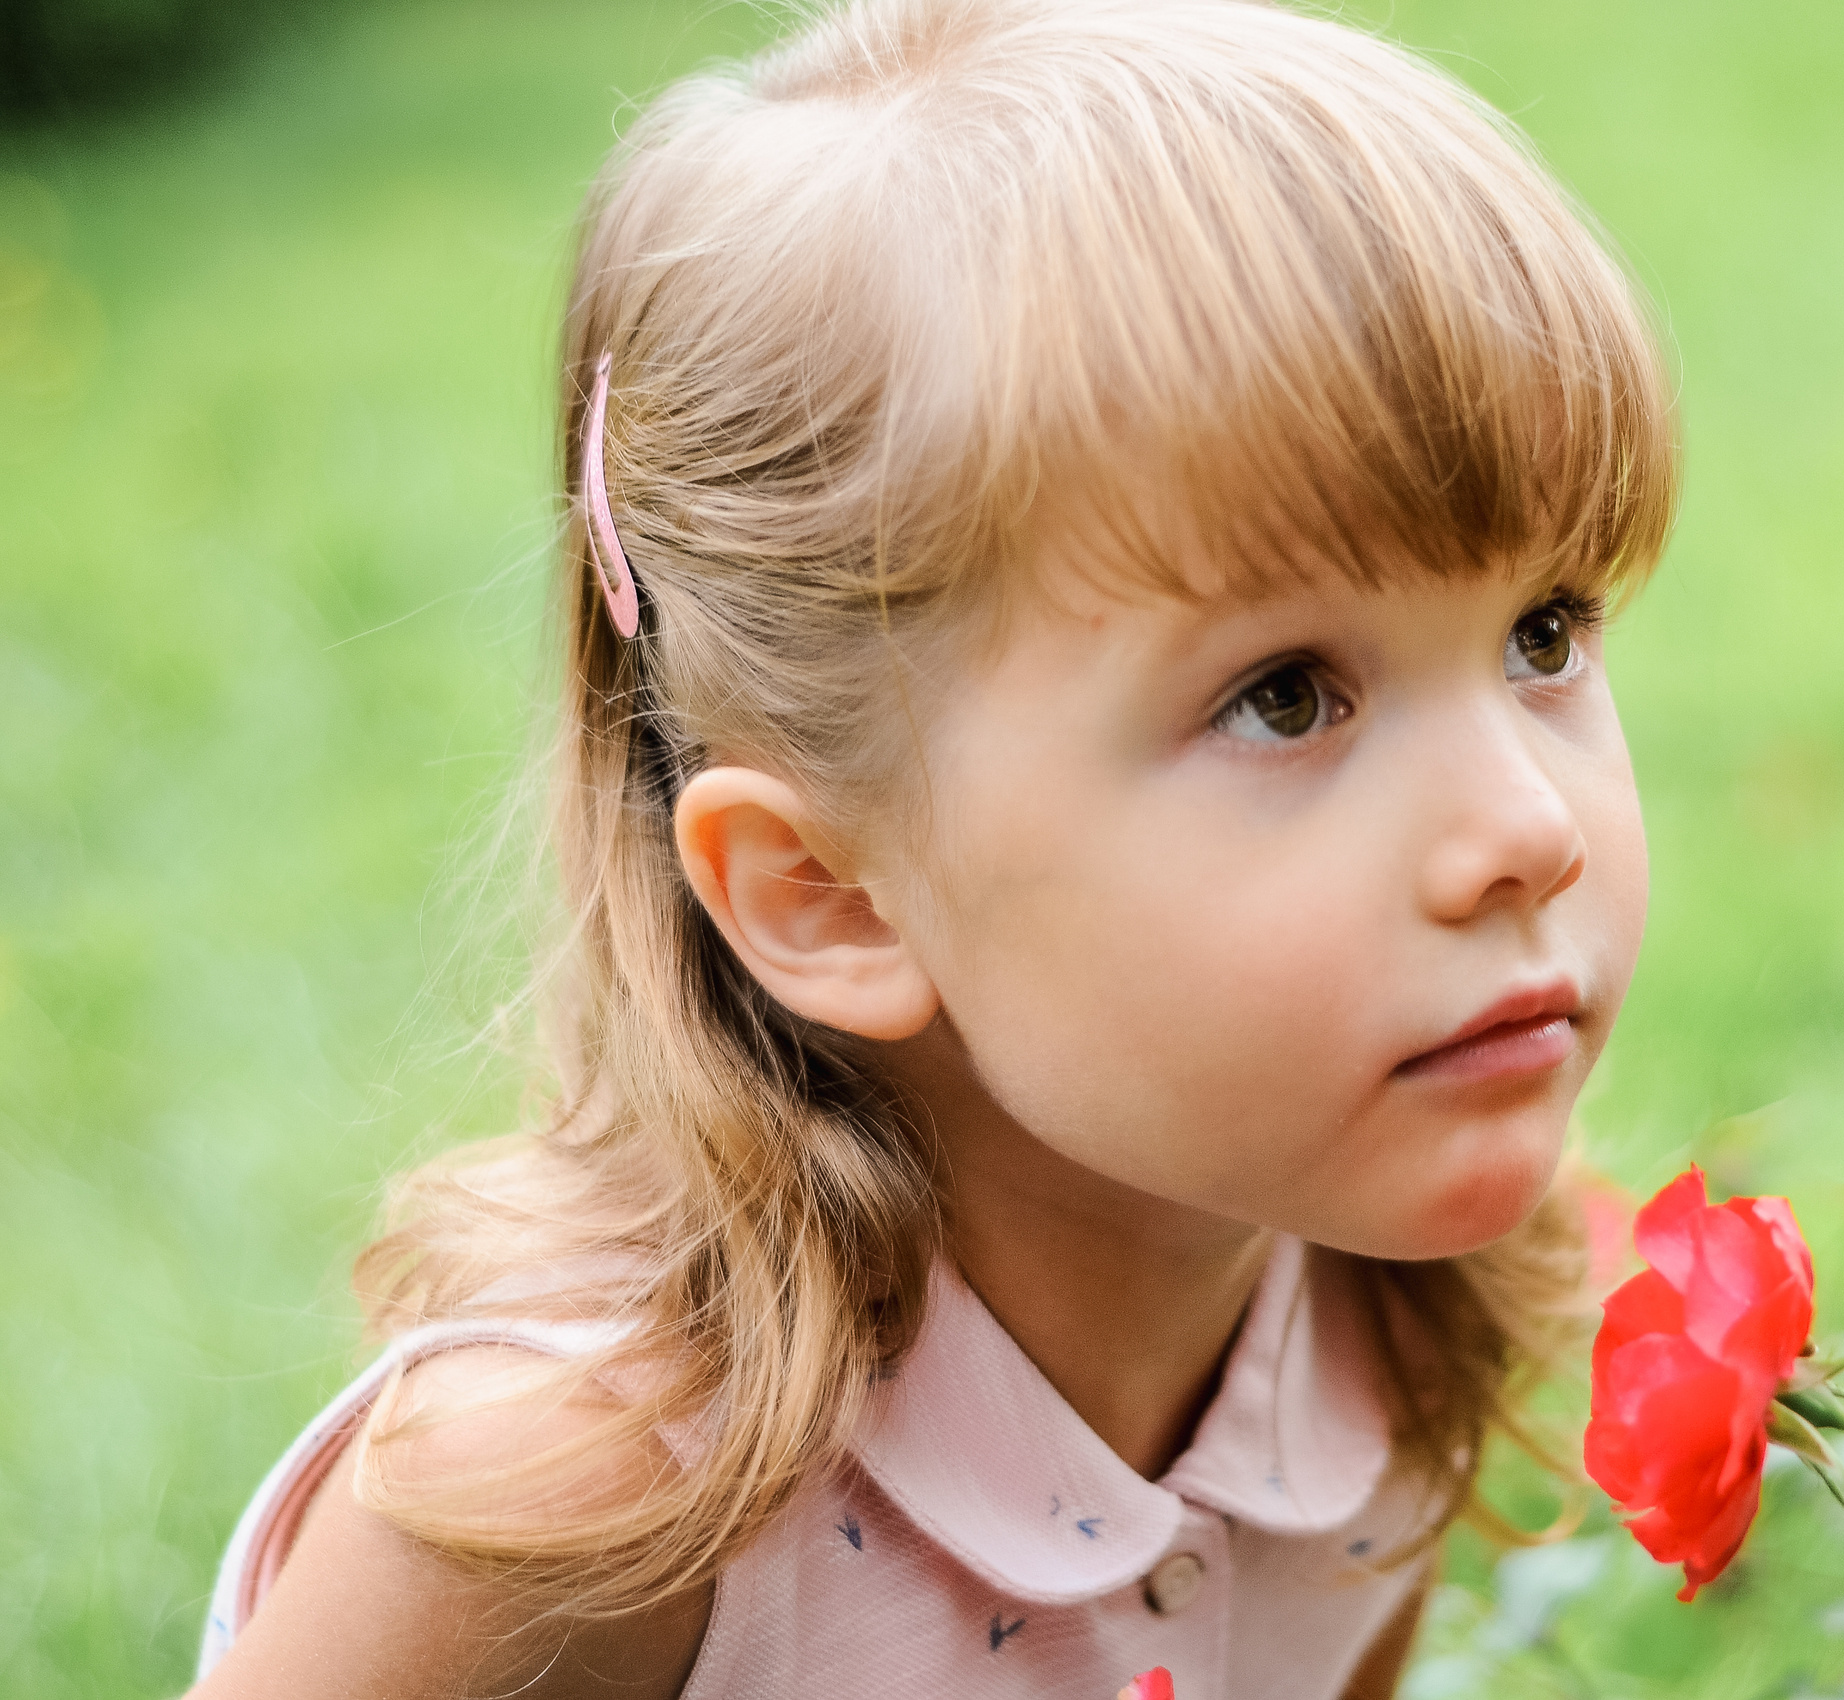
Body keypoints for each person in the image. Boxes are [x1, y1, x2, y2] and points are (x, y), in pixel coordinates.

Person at [188, 0, 1677, 1692]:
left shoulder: (1386, 1319)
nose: (1528, 831)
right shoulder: (575, 1504)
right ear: (828, 893)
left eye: (1545, 633)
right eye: (1283, 699)